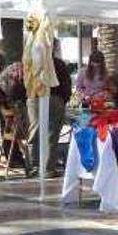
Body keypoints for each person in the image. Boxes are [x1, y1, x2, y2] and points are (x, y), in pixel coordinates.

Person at [27, 39, 72, 177]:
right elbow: (66, 84)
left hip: (35, 97)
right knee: (51, 135)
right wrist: (63, 99)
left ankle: (34, 166)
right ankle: (47, 168)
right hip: (55, 98)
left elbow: (25, 81)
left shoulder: (32, 63)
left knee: (35, 132)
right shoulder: (58, 64)